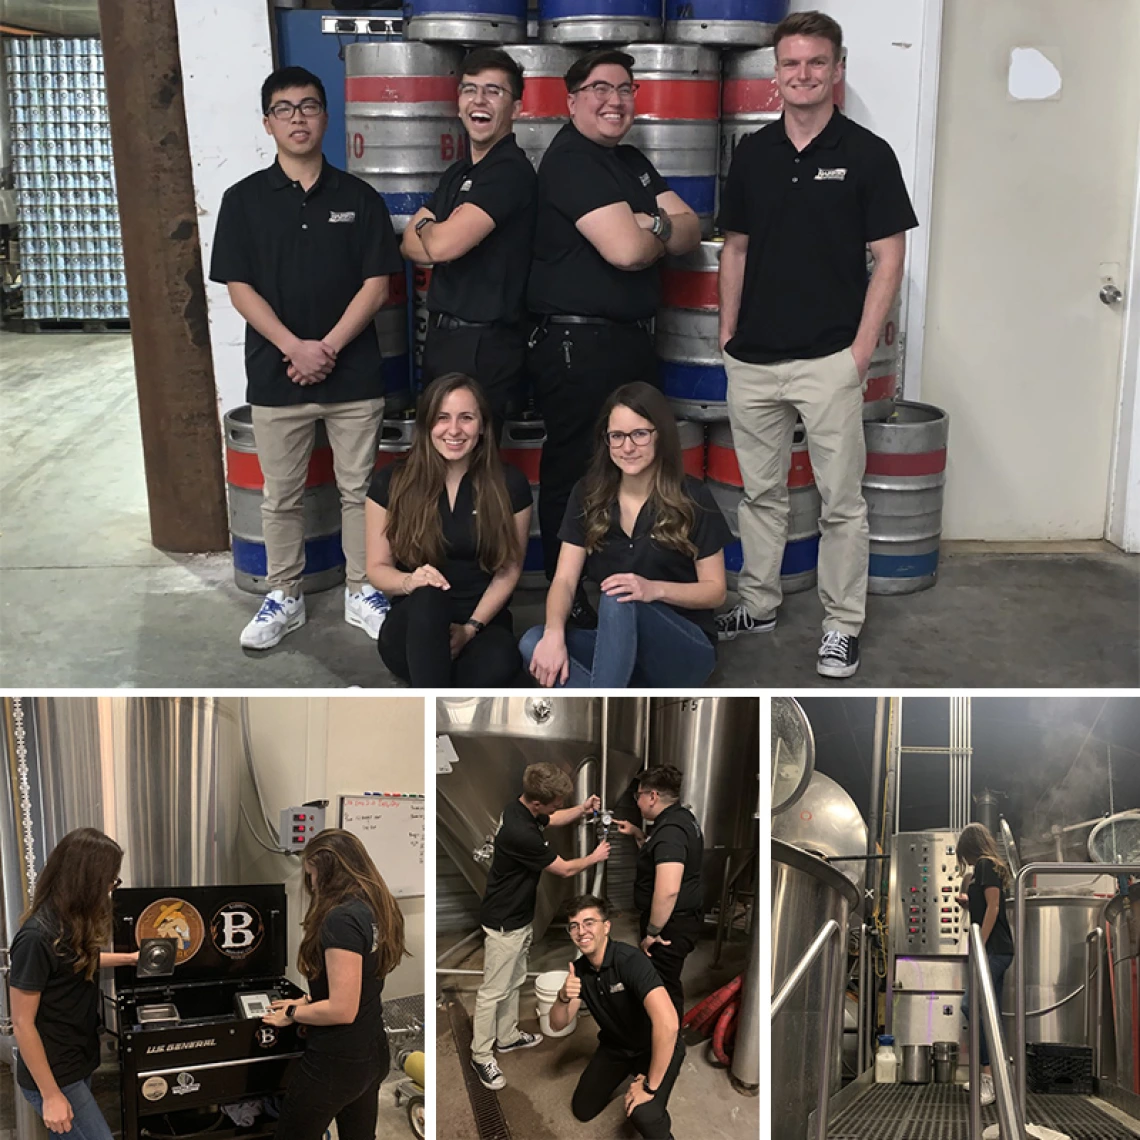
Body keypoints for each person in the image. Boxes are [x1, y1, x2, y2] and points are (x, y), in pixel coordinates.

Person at [715, 11, 919, 679]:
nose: (802, 75)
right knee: (761, 496)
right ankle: (761, 602)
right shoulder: (753, 153)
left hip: (829, 361)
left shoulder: (867, 154)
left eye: (815, 63)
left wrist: (860, 353)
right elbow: (735, 249)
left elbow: (889, 257)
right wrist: (727, 335)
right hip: (754, 362)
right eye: (791, 65)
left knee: (841, 504)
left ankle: (842, 624)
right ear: (776, 75)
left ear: (838, 70)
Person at [210, 65, 404, 651]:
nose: (298, 118)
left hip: (354, 376)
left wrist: (329, 349)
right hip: (277, 375)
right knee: (281, 496)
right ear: (268, 122)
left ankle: (358, 589)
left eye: (309, 106)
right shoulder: (242, 201)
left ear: (325, 116)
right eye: (285, 108)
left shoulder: (359, 197)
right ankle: (285, 594)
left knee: (357, 492)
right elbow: (238, 286)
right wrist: (295, 348)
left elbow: (377, 284)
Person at [526, 48, 701, 610]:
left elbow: (692, 229)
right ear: (571, 100)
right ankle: (569, 593)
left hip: (626, 342)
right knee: (578, 471)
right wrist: (654, 223)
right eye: (600, 88)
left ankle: (618, 587)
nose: (614, 100)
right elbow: (627, 251)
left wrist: (648, 219)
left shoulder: (631, 162)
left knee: (631, 470)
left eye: (625, 89)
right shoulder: (572, 159)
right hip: (578, 345)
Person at [521, 382, 732, 687]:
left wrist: (653, 589)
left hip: (684, 648)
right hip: (618, 639)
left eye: (640, 434)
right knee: (534, 642)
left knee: (618, 597)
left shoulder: (692, 497)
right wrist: (554, 633)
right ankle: (618, 688)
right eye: (617, 436)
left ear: (660, 435)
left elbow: (716, 591)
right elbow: (565, 580)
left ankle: (604, 707)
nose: (628, 447)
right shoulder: (587, 495)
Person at [365, 373, 532, 686]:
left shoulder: (510, 485)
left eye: (466, 418)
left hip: (480, 623)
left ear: (482, 426)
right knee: (430, 596)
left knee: (501, 662)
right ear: (427, 424)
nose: (454, 430)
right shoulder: (390, 482)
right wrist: (410, 581)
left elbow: (509, 571)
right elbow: (376, 568)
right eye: (442, 418)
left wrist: (470, 628)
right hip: (414, 622)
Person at [401, 48, 536, 434]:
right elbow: (407, 246)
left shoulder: (509, 172)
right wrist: (437, 231)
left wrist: (431, 229)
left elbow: (438, 247)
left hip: (484, 346)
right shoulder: (459, 172)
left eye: (494, 91)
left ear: (517, 108)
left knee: (473, 468)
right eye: (469, 89)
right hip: (446, 339)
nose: (479, 100)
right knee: (438, 462)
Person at [471, 763, 609, 1091]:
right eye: (555, 803)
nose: (557, 809)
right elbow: (562, 870)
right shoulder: (521, 833)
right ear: (536, 803)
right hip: (504, 923)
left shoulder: (520, 808)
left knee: (515, 980)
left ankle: (506, 1037)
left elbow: (553, 818)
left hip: (518, 917)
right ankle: (480, 1054)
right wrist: (595, 857)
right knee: (492, 991)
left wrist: (582, 808)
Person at [262, 828, 407, 1140]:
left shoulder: (340, 919)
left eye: (311, 874)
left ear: (327, 872)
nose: (310, 883)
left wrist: (291, 1013)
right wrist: (308, 1001)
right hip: (374, 1052)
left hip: (336, 1061)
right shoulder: (377, 906)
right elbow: (359, 981)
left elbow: (342, 1009)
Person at [10, 828, 138, 1140]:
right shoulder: (35, 937)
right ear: (87, 880)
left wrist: (130, 959)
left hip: (75, 1062)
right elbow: (22, 1023)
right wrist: (51, 1095)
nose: (111, 887)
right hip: (55, 1073)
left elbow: (77, 962)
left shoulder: (67, 924)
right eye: (110, 879)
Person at [550, 895, 685, 1140]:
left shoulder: (630, 961)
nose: (582, 931)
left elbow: (669, 1024)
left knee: (644, 1112)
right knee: (583, 1108)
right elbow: (557, 1024)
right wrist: (562, 996)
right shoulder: (579, 971)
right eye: (574, 926)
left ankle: (646, 1080)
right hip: (617, 1047)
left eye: (589, 923)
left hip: (653, 1046)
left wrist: (649, 1086)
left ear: (606, 926)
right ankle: (633, 1070)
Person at [615, 766, 703, 1017]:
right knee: (664, 981)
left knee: (663, 986)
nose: (638, 802)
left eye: (638, 796)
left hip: (669, 926)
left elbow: (668, 891)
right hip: (678, 920)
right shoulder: (680, 818)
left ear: (652, 796)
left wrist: (653, 932)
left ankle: (669, 1043)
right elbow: (658, 854)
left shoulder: (670, 832)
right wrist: (636, 833)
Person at [955, 822, 1015, 1109]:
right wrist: (968, 902)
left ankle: (989, 1078)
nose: (963, 862)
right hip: (997, 950)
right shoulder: (986, 867)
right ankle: (998, 1076)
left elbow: (994, 907)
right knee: (991, 1012)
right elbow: (986, 903)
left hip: (994, 950)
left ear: (968, 848)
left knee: (972, 1006)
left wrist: (981, 944)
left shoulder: (983, 864)